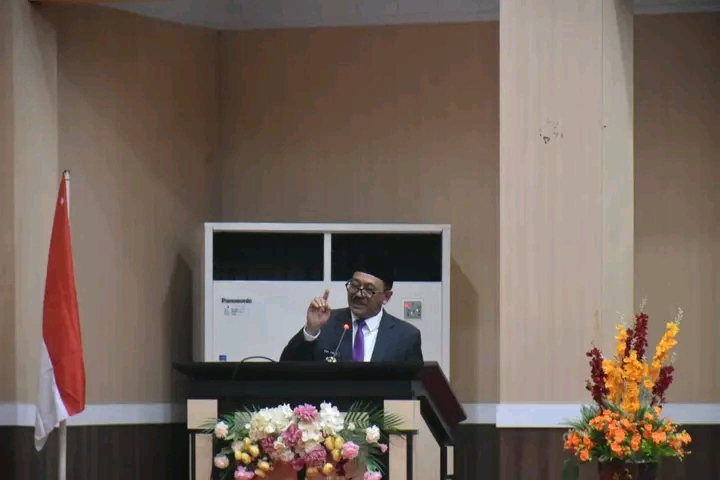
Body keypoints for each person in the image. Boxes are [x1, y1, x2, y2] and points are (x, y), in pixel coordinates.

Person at [280, 262, 423, 362]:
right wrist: (311, 331)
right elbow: (287, 365)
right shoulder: (325, 322)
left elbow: (414, 385)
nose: (359, 294)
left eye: (369, 290)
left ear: (386, 297)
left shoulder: (406, 336)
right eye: (354, 285)